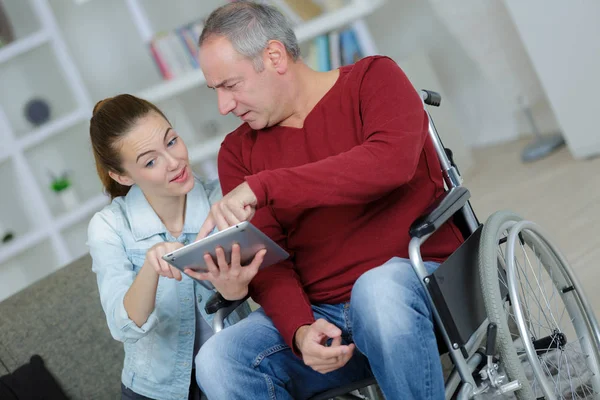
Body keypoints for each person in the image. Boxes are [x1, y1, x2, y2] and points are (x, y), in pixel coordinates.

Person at [190, 2, 465, 400]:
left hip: (420, 284)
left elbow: (389, 164)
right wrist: (300, 331)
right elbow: (269, 259)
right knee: (218, 358)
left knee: (378, 290)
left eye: (230, 85)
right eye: (215, 91)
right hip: (324, 317)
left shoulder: (374, 78)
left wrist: (266, 185)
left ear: (274, 56)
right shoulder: (237, 152)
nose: (224, 106)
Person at [86, 94, 263, 400]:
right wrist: (151, 270)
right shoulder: (110, 226)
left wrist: (235, 291)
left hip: (233, 368)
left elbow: (255, 285)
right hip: (153, 392)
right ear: (122, 176)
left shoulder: (220, 197)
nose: (174, 162)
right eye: (151, 161)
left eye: (171, 142)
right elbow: (122, 325)